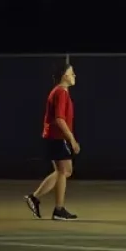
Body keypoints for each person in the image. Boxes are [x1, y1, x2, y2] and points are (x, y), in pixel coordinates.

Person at [25, 64, 79, 221]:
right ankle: (58, 209)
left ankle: (35, 198)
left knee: (65, 171)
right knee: (63, 171)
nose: (74, 76)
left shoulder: (60, 92)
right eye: (72, 73)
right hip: (56, 137)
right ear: (64, 76)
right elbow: (59, 119)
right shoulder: (60, 92)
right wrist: (72, 139)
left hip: (55, 137)